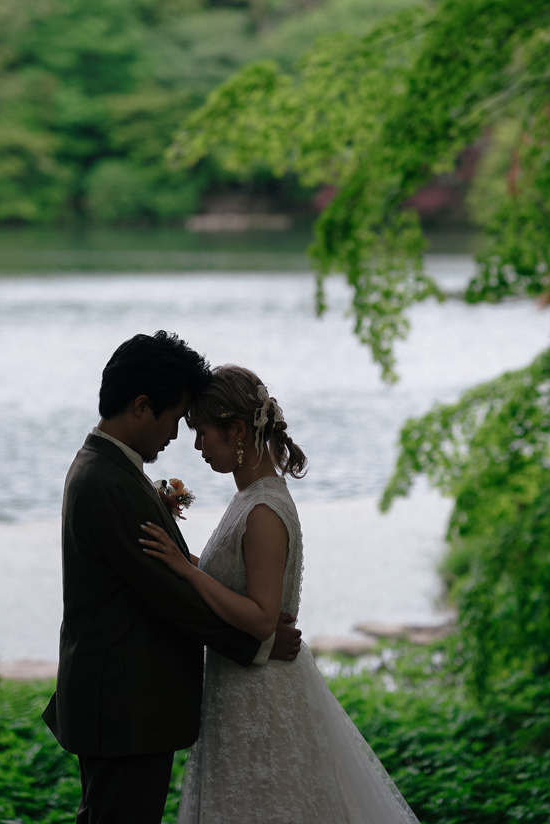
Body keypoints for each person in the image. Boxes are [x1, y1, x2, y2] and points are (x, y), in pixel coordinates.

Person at [139, 364, 420, 824]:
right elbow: (234, 579)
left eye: (203, 432)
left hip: (260, 695)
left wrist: (185, 571)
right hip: (240, 687)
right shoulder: (249, 497)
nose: (198, 446)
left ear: (237, 430)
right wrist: (181, 557)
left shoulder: (264, 510)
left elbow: (262, 618)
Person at [42, 333, 301, 824]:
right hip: (124, 708)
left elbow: (172, 578)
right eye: (177, 418)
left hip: (122, 704)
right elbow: (170, 594)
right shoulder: (109, 482)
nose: (179, 437)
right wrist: (259, 644)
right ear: (142, 406)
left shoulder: (108, 467)